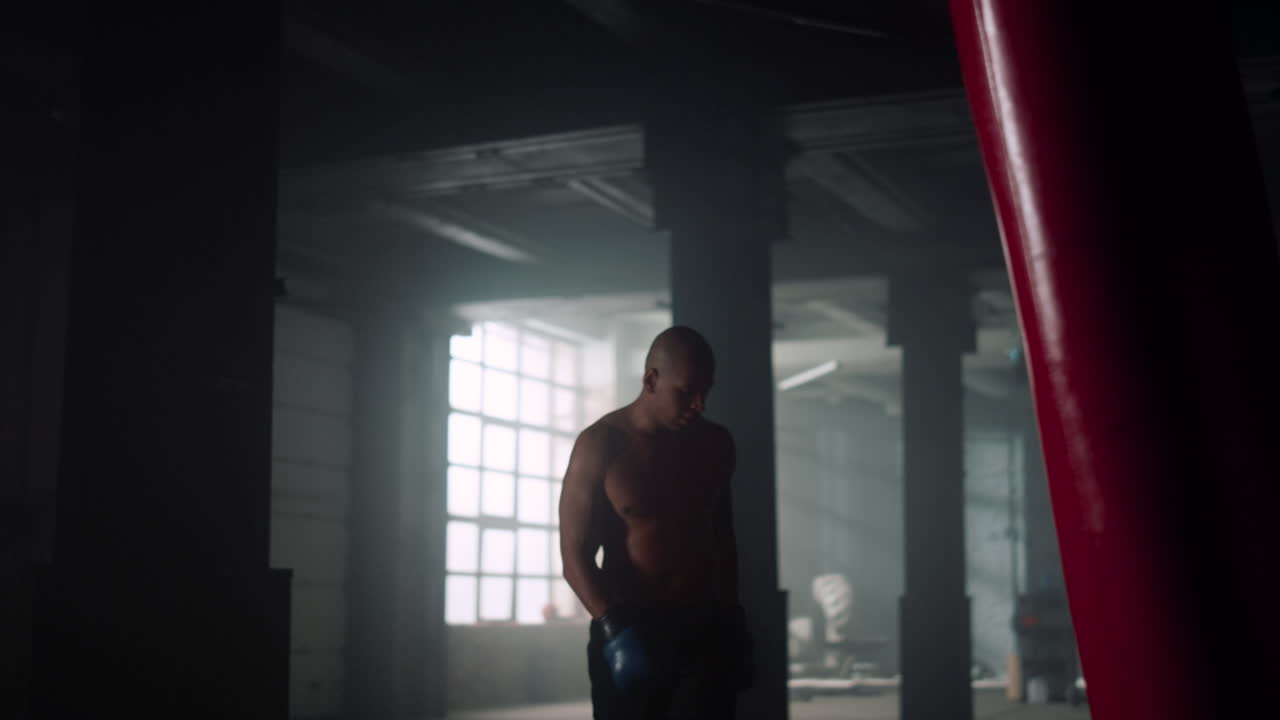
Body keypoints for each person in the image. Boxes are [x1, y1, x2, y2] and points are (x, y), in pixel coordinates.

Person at [559, 326, 754, 720]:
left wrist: (733, 620)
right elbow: (574, 555)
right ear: (651, 380)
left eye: (706, 391)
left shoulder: (716, 444)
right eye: (687, 391)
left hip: (704, 627)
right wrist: (614, 629)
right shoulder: (600, 444)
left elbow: (723, 538)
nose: (699, 404)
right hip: (631, 624)